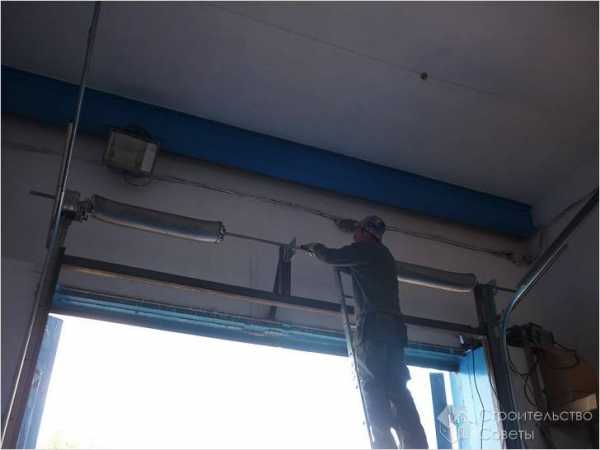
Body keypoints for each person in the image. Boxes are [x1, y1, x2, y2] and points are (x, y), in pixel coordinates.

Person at [302, 216, 428, 449]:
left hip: (373, 328)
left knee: (372, 386)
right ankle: (416, 444)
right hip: (394, 330)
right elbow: (356, 270)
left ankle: (384, 445)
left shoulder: (365, 249)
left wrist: (315, 248)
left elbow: (332, 257)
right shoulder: (384, 256)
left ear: (365, 232)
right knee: (398, 388)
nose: (354, 236)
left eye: (357, 231)